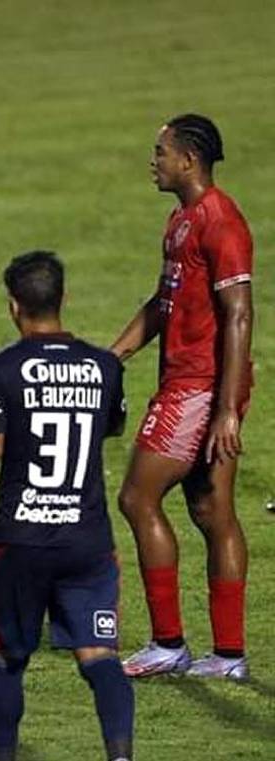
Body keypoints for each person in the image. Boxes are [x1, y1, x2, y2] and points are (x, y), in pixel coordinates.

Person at [0, 251, 135, 761]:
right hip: (88, 541)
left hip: (20, 542)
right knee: (99, 655)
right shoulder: (106, 367)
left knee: (7, 657)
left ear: (12, 307)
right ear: (63, 300)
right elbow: (110, 428)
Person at [112, 114, 255, 681]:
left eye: (161, 152)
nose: (155, 161)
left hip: (199, 387)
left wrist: (224, 408)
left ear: (188, 161)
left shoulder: (221, 222)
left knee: (136, 498)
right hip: (191, 382)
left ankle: (169, 643)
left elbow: (239, 313)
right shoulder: (181, 222)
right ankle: (228, 656)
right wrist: (114, 353)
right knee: (209, 509)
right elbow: (163, 299)